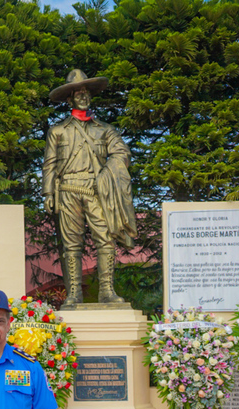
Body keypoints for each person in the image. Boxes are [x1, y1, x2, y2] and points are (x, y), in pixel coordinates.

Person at [42, 68, 139, 306]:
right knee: (71, 243)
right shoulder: (57, 131)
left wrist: (108, 173)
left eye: (86, 93)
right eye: (78, 93)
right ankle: (74, 293)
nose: (83, 97)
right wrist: (47, 193)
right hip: (67, 191)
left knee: (105, 240)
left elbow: (122, 153)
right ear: (69, 99)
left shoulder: (105, 129)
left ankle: (106, 291)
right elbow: (50, 164)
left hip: (97, 191)